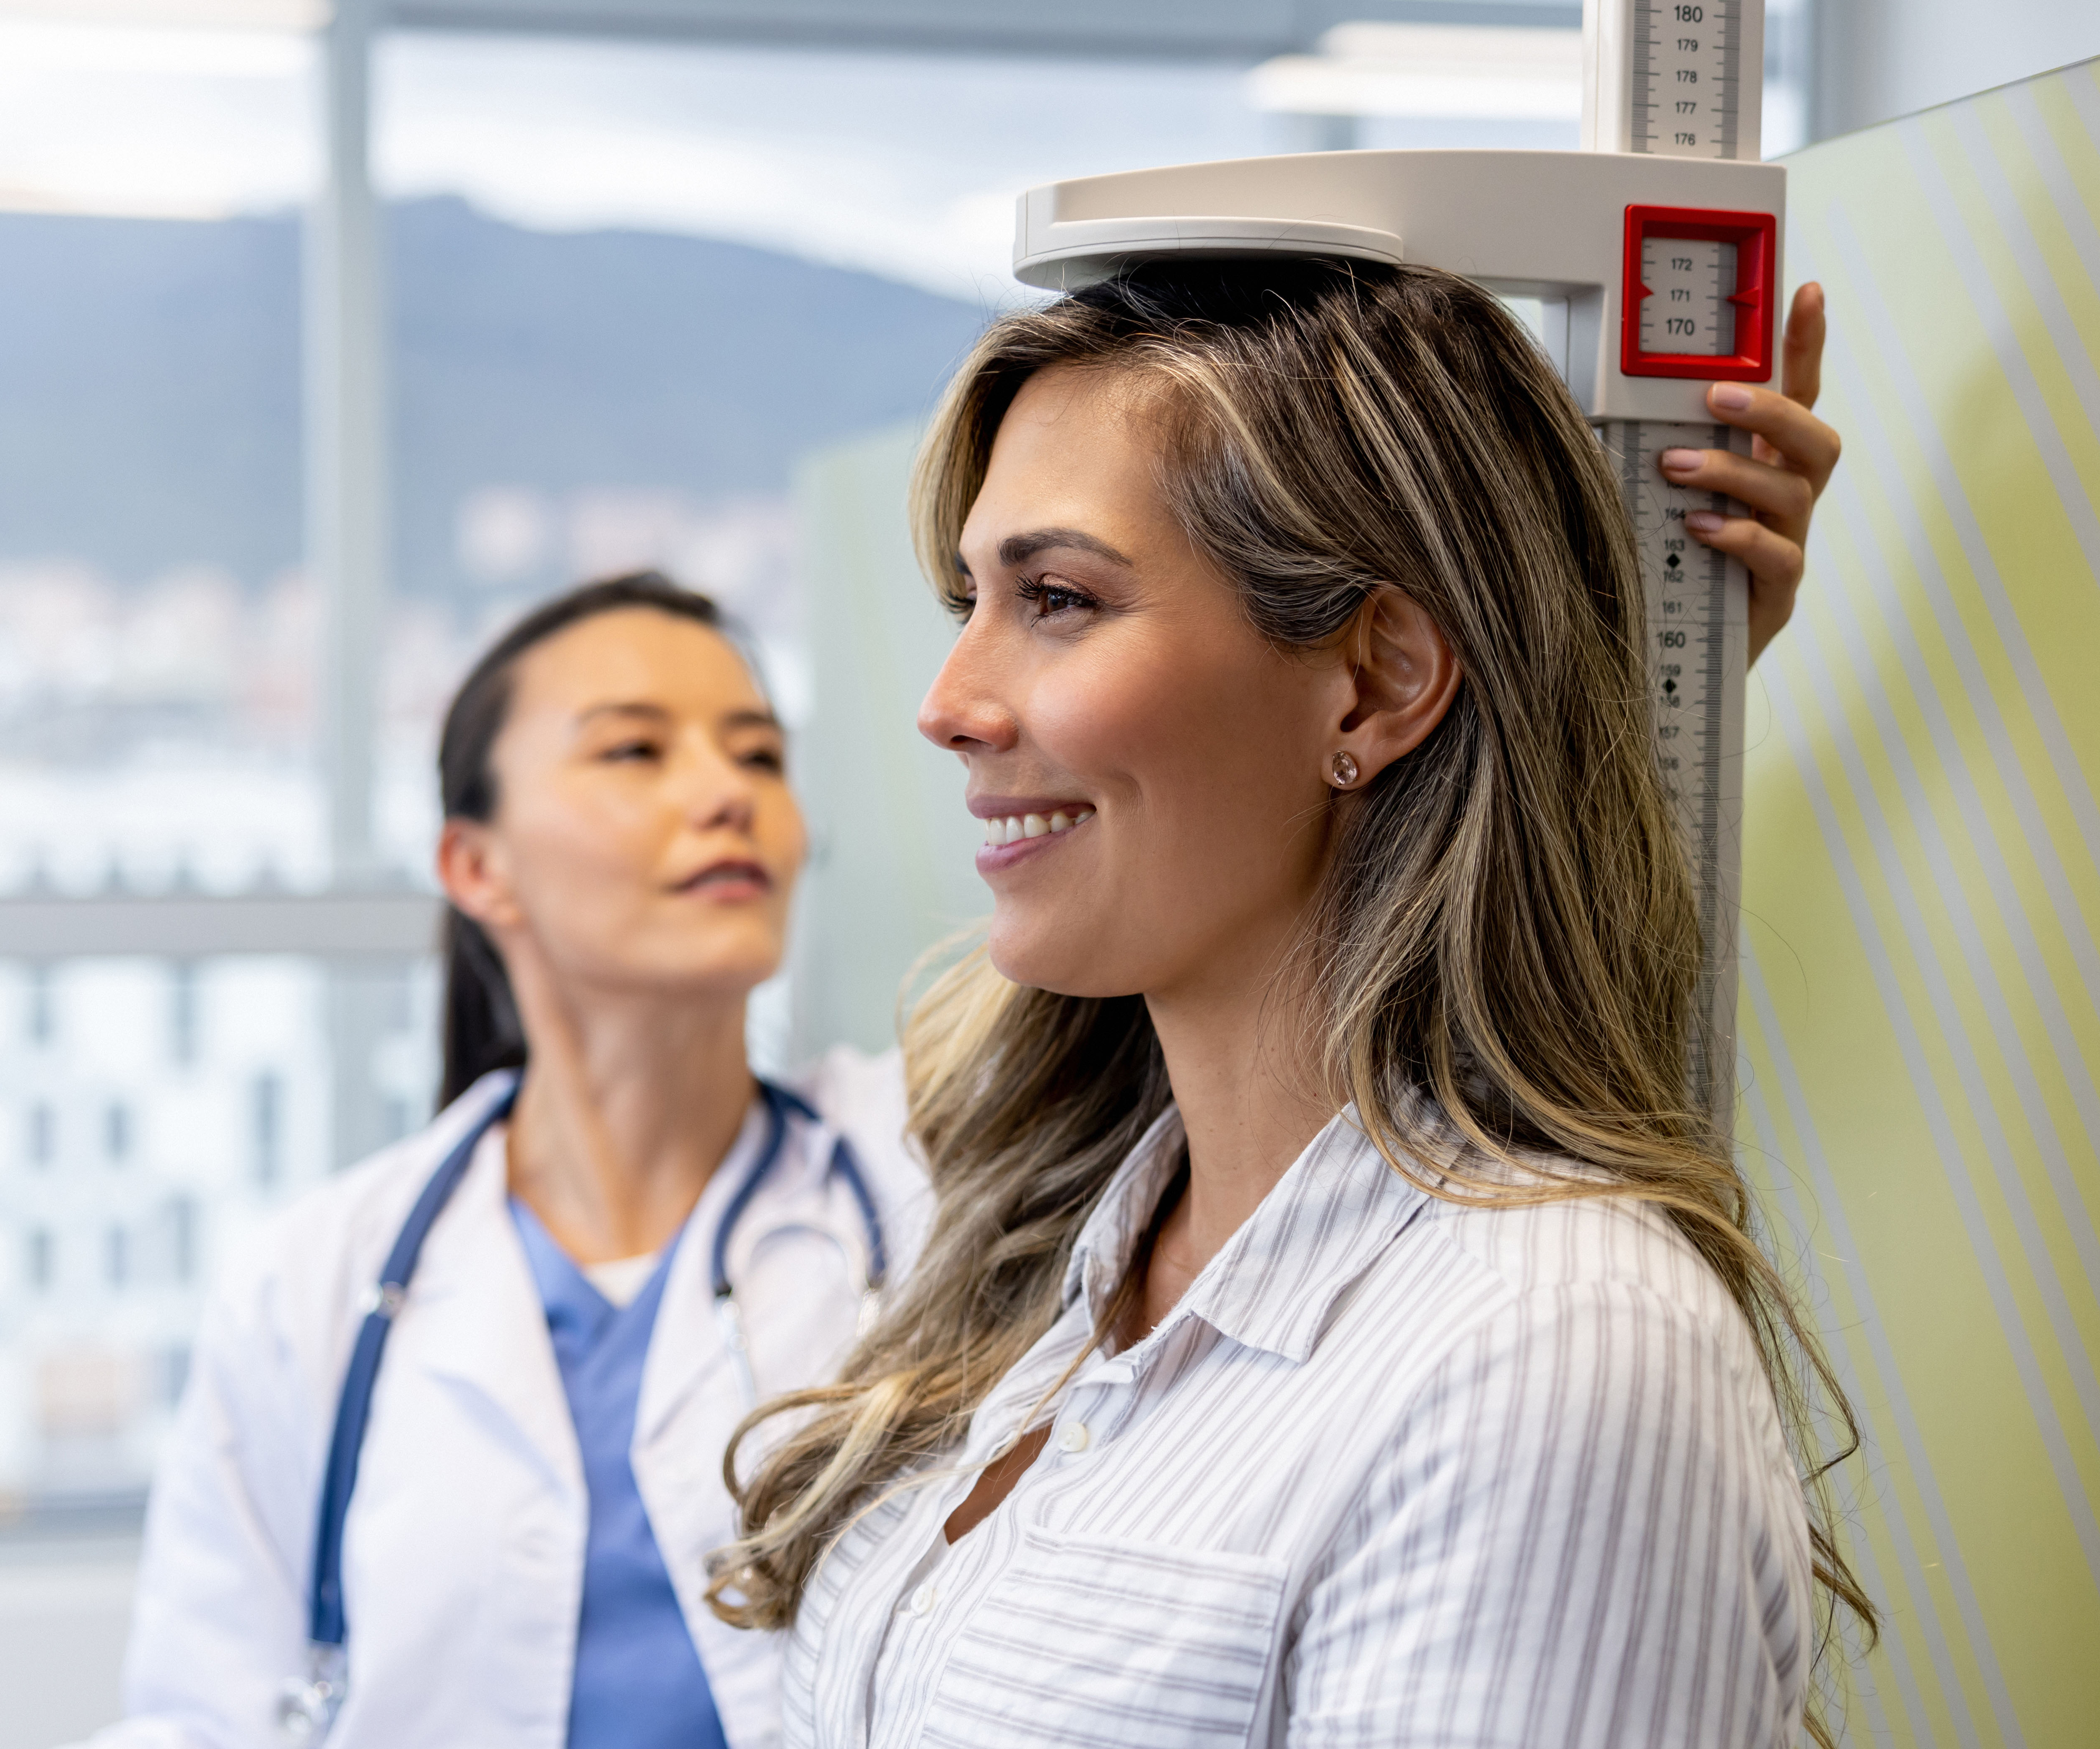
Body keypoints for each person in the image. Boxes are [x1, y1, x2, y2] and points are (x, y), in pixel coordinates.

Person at [711, 258, 1871, 1748]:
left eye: (1056, 599)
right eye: (970, 598)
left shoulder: (1549, 1349)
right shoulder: (1067, 1254)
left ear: (1377, 681)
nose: (947, 699)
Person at [92, 573, 922, 1749]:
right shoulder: (316, 1282)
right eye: (635, 751)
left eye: (759, 755)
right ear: (477, 866)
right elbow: (201, 1713)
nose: (725, 793)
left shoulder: (917, 1175)